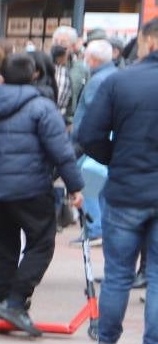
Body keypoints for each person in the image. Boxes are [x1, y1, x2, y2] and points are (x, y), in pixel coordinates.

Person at [0, 52, 84, 337]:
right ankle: (16, 302)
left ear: (1, 77)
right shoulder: (41, 107)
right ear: (34, 77)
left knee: (4, 246)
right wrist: (75, 186)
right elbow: (62, 152)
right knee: (42, 242)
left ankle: (6, 300)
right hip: (30, 189)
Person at [75, 17, 158, 344]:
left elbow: (89, 134)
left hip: (126, 189)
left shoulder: (120, 81)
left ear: (149, 40)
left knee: (119, 273)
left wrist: (117, 157)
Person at [73, 38, 119, 243]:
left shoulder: (98, 81)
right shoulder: (114, 75)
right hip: (106, 142)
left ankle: (94, 228)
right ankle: (99, 228)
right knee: (100, 186)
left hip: (91, 144)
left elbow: (95, 116)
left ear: (91, 59)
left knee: (88, 182)